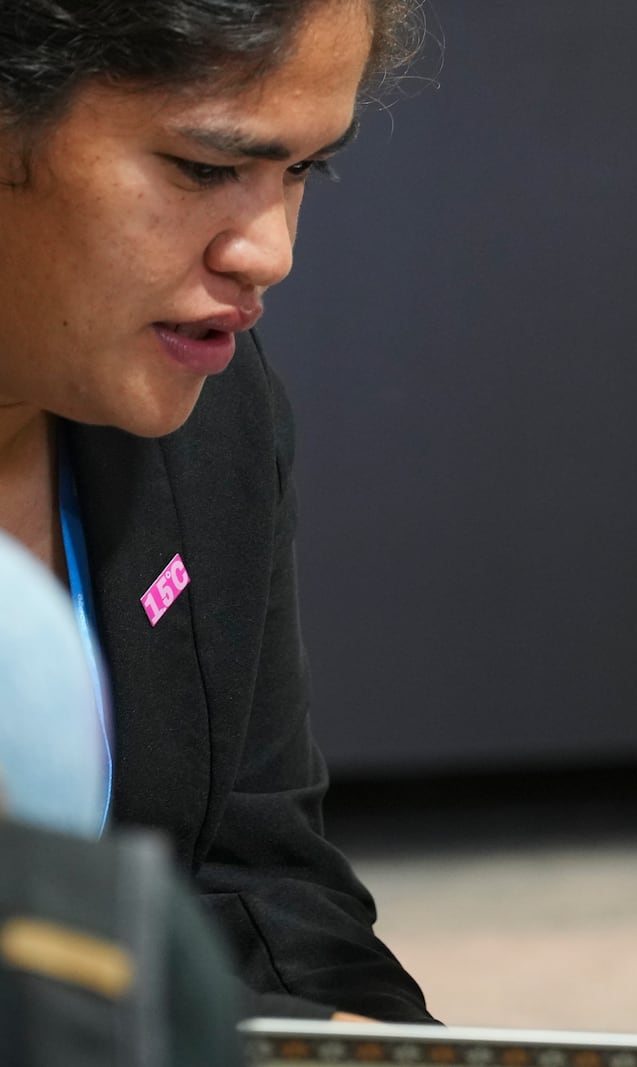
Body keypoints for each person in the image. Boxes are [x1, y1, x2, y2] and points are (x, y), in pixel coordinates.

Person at [0, 0, 431, 1022]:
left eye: (301, 171)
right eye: (203, 168)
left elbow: (258, 878)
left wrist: (370, 1044)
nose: (268, 251)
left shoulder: (211, 419)